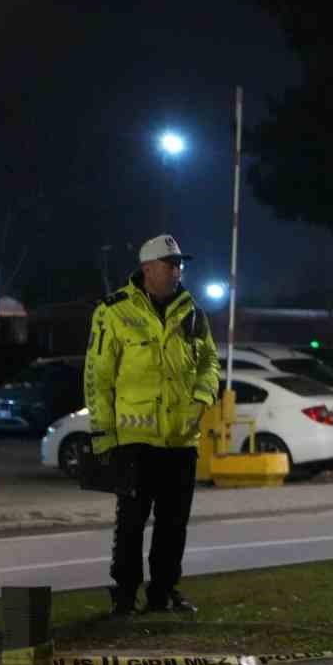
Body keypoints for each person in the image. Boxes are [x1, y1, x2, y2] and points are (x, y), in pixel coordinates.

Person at [85, 234, 219, 615]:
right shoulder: (113, 311)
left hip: (180, 438)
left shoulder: (191, 310)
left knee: (173, 525)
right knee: (130, 524)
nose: (178, 271)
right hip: (134, 439)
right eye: (170, 264)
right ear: (148, 269)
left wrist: (202, 398)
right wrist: (103, 437)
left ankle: (163, 593)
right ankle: (124, 595)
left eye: (180, 264)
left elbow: (209, 361)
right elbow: (97, 378)